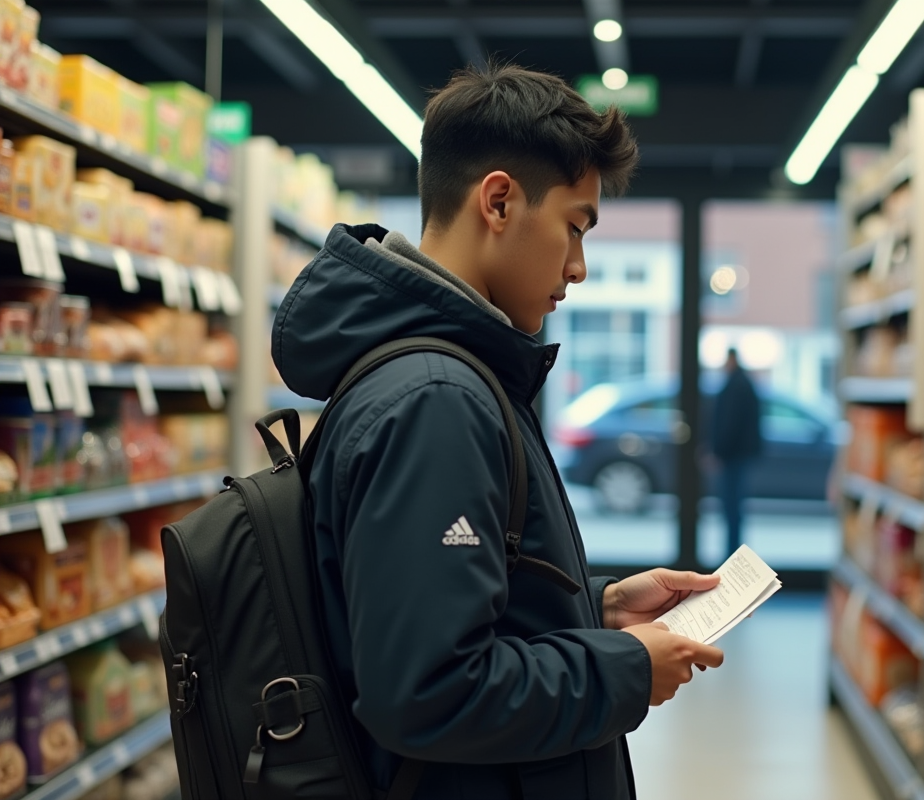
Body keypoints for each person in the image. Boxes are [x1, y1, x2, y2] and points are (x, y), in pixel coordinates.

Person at [270, 64, 725, 799]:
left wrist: (592, 606)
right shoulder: (435, 399)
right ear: (500, 201)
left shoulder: (446, 376)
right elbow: (428, 690)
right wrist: (627, 669)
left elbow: (441, 611)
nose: (578, 268)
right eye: (574, 227)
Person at [711, 348, 763, 556]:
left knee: (732, 508)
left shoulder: (736, 385)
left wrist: (718, 452)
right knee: (734, 508)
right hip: (738, 455)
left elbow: (729, 424)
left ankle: (732, 553)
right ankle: (733, 551)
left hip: (733, 456)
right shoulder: (744, 383)